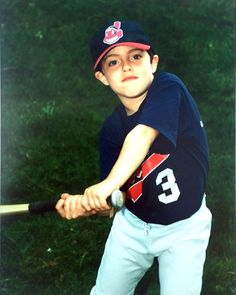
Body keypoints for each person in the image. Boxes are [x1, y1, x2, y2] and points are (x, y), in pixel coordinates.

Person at [56, 20, 212, 295]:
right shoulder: (111, 131)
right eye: (113, 63)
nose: (127, 66)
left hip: (185, 229)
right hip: (133, 228)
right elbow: (116, 200)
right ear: (102, 77)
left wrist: (104, 187)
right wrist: (89, 204)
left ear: (152, 62)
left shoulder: (169, 88)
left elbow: (141, 136)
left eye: (135, 57)